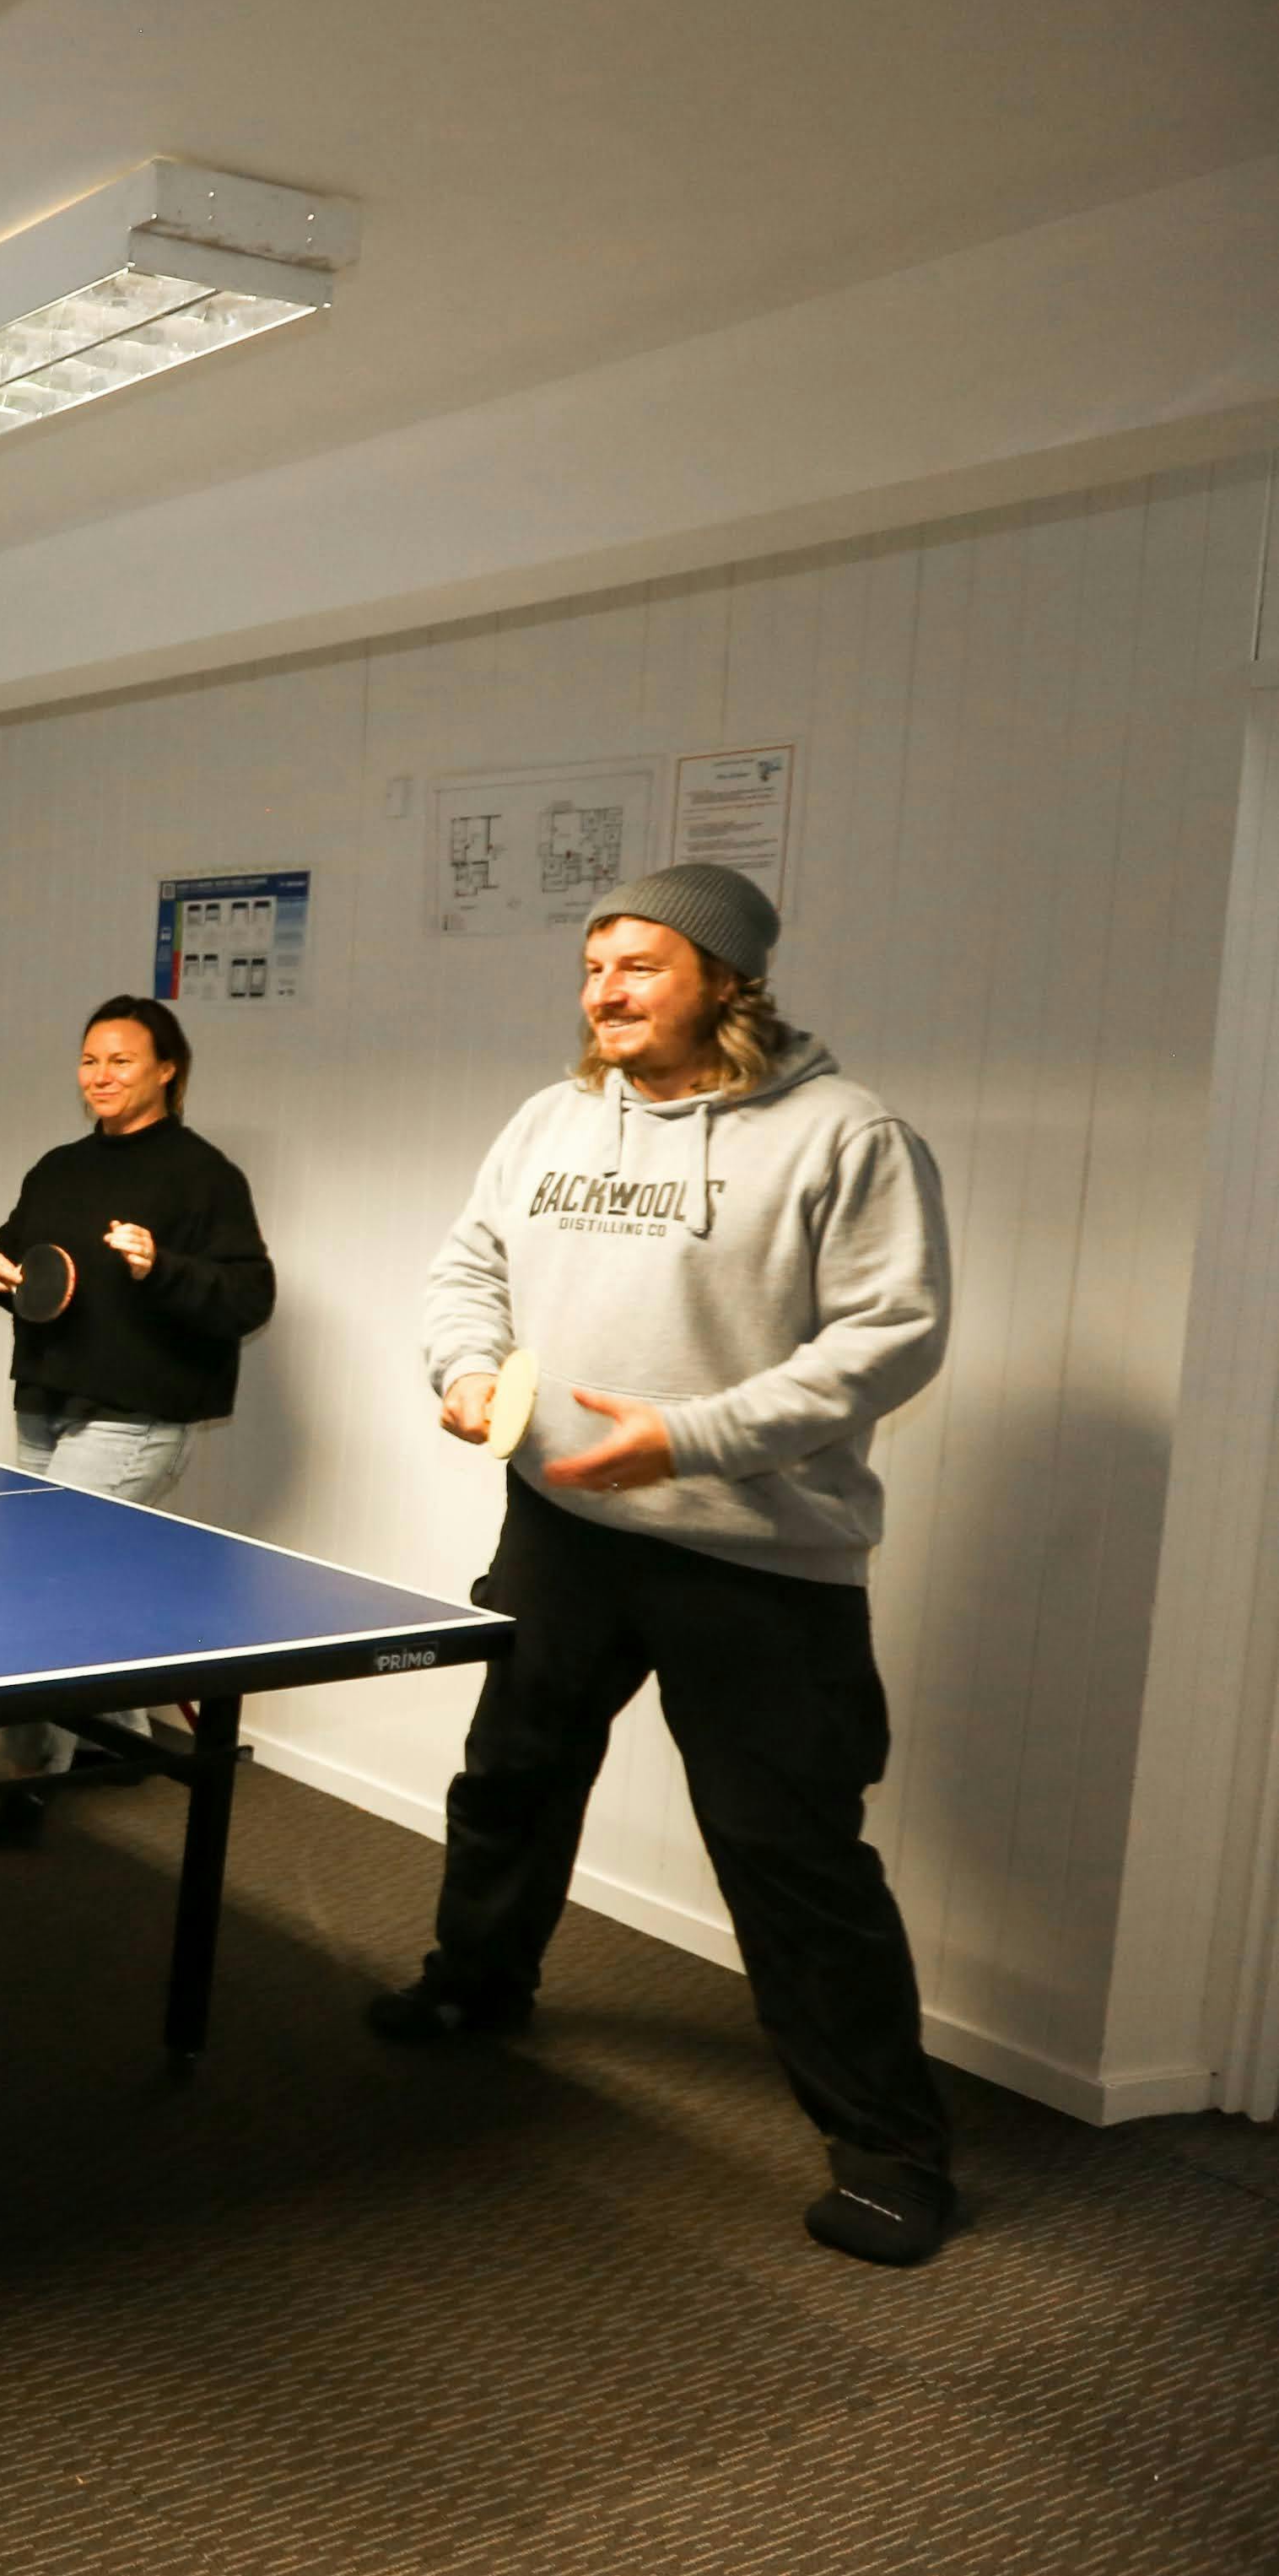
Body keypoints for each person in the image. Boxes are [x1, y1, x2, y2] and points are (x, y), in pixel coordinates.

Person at [383, 861, 959, 2266]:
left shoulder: (845, 1135)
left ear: (724, 979)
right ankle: (475, 1982)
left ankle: (888, 2147)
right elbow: (468, 1269)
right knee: (511, 1777)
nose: (603, 991)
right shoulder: (551, 1118)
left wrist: (689, 1437)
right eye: (592, 967)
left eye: (637, 964)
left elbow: (888, 1339)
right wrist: (465, 1371)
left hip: (758, 1559)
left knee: (787, 1850)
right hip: (560, 1534)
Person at [0, 996, 276, 1843]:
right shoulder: (58, 1168)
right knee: (72, 1582)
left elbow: (248, 1297)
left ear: (166, 1069)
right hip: (45, 1401)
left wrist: (159, 1266)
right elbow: (23, 1265)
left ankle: (33, 1776)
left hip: (137, 1416)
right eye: (89, 1059)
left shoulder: (203, 1176)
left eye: (121, 1060)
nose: (100, 1075)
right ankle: (120, 1731)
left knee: (37, 1587)